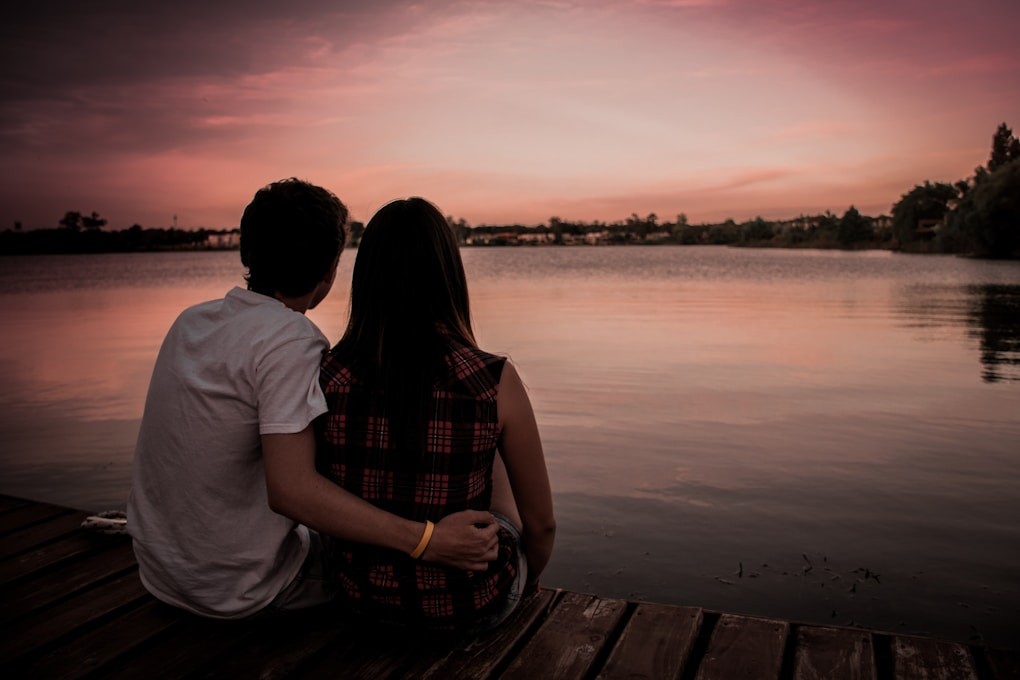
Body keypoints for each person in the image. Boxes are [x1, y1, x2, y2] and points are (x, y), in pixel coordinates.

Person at [126, 179, 500, 620]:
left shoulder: (191, 322)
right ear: (329, 271)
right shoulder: (291, 340)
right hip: (241, 589)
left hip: (161, 572)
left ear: (247, 254)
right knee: (377, 562)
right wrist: (426, 539)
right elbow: (292, 492)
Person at [317, 197, 556, 633]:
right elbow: (541, 526)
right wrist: (526, 581)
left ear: (366, 277)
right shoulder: (493, 378)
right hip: (469, 606)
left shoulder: (326, 375)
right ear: (448, 274)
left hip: (362, 602)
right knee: (496, 448)